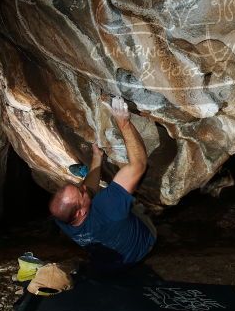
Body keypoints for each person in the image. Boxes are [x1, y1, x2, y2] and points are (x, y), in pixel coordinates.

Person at [48, 96, 157, 273]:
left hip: (108, 261)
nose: (83, 187)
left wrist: (97, 157)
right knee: (129, 201)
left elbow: (89, 190)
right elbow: (139, 164)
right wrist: (123, 123)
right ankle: (128, 199)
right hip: (143, 246)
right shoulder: (108, 207)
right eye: (80, 192)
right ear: (80, 212)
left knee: (97, 195)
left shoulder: (63, 220)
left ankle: (96, 180)